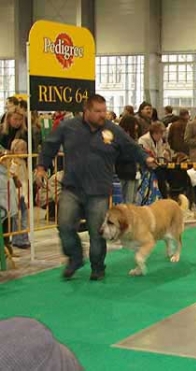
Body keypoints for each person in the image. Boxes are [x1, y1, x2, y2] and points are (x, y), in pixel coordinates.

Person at [36, 94, 156, 281]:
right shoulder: (68, 127)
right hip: (72, 188)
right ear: (87, 111)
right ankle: (75, 258)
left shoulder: (112, 130)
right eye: (98, 111)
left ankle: (98, 267)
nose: (103, 114)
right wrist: (41, 166)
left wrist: (146, 159)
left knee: (98, 232)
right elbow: (50, 144)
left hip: (99, 191)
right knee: (65, 226)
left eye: (104, 110)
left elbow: (132, 147)